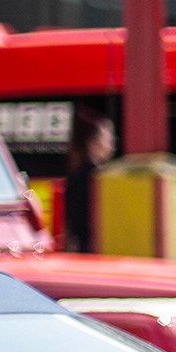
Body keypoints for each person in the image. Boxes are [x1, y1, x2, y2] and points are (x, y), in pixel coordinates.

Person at [61, 107, 114, 253]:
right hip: (90, 249)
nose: (111, 145)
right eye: (108, 139)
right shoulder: (93, 177)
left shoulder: (78, 173)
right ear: (93, 143)